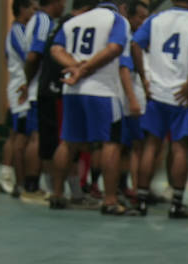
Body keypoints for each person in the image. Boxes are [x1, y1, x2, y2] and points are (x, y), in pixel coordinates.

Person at [49, 0, 137, 215]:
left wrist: (74, 67)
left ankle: (57, 194)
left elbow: (56, 48)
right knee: (111, 143)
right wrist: (86, 69)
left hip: (72, 92)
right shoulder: (117, 20)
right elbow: (114, 48)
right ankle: (110, 200)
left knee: (68, 142)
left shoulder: (74, 21)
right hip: (102, 91)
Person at [131, 0, 188, 218]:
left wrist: (144, 79)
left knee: (151, 145)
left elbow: (134, 44)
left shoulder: (154, 20)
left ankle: (141, 201)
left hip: (156, 92)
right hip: (181, 96)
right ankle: (176, 204)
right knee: (179, 147)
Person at [40, 0, 99, 210]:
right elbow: (56, 52)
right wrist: (79, 67)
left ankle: (63, 192)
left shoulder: (63, 24)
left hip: (51, 88)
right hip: (61, 89)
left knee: (66, 143)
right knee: (67, 142)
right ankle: (61, 191)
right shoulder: (74, 24)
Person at [21, 0, 67, 199]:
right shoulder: (44, 21)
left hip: (36, 87)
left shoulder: (35, 20)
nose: (64, 6)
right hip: (39, 88)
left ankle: (33, 183)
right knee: (38, 137)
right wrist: (28, 81)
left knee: (36, 136)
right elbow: (34, 56)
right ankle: (32, 184)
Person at [1, 0, 35, 196]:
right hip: (21, 90)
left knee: (14, 135)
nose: (34, 12)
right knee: (20, 136)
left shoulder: (15, 32)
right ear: (23, 9)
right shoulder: (18, 30)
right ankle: (19, 182)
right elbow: (29, 55)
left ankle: (6, 175)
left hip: (18, 87)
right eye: (32, 8)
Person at [118, 0, 149, 204]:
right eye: (140, 17)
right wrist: (133, 99)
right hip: (128, 97)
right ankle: (135, 189)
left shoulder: (137, 37)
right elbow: (125, 70)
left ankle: (124, 186)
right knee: (134, 146)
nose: (143, 21)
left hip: (129, 95)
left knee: (129, 147)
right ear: (130, 16)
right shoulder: (127, 36)